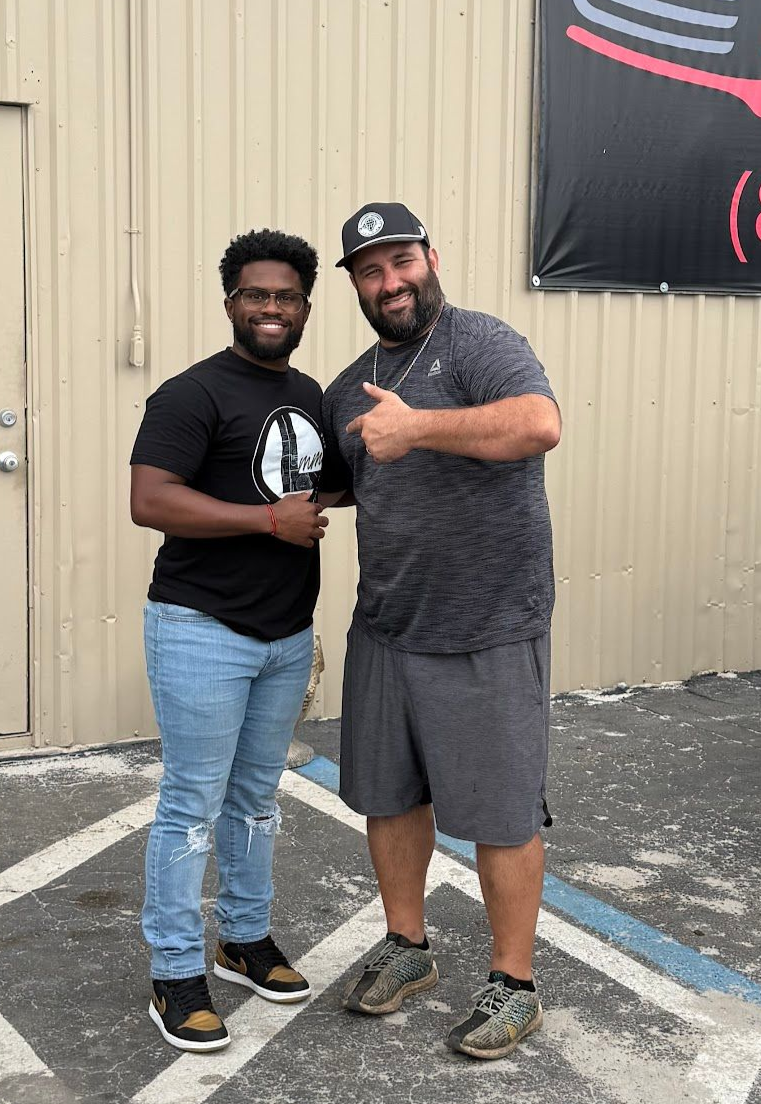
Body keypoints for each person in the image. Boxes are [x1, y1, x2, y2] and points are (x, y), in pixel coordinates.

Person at [321, 201, 563, 1060]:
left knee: (500, 812)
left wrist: (417, 425)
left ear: (430, 257)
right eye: (370, 271)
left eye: (401, 262)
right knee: (389, 796)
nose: (391, 282)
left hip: (487, 622)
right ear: (354, 284)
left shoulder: (478, 343)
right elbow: (346, 485)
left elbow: (540, 424)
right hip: (389, 623)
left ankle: (514, 984)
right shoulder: (347, 385)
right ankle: (407, 948)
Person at [128, 229, 346, 1052]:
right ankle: (176, 973)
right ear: (231, 304)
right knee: (192, 805)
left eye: (285, 297)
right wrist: (266, 520)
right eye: (256, 295)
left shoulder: (312, 393)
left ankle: (244, 940)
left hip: (286, 633)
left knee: (256, 801)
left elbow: (324, 482)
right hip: (201, 627)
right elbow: (150, 501)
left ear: (303, 309)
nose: (271, 308)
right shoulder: (191, 395)